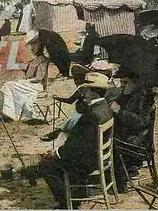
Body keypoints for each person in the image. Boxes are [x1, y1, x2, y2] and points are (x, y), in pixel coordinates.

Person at [39, 78, 114, 209]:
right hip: (101, 155)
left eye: (87, 91)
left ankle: (68, 204)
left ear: (94, 93)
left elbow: (77, 147)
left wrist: (57, 153)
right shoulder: (104, 107)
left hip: (89, 161)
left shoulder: (92, 114)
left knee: (46, 166)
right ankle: (80, 192)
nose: (84, 94)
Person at [111, 68, 155, 193]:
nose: (122, 86)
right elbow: (114, 104)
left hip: (140, 141)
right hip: (128, 136)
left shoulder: (146, 98)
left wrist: (120, 111)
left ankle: (120, 184)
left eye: (125, 82)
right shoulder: (126, 94)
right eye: (121, 82)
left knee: (111, 143)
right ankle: (113, 176)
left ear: (136, 83)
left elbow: (141, 122)